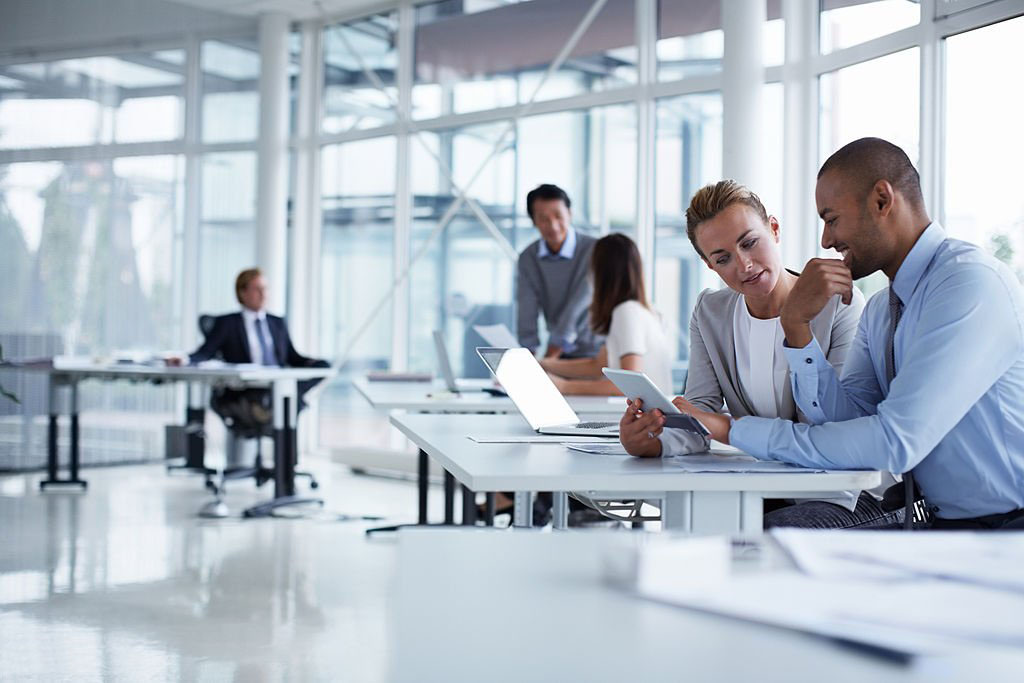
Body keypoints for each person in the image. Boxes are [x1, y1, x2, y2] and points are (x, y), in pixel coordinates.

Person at [664, 138, 1024, 530]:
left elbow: (894, 442)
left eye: (831, 219)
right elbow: (841, 421)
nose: (826, 240)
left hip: (1006, 530)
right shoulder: (883, 310)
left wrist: (735, 429)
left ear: (882, 201)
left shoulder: (966, 285)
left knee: (762, 539)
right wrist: (797, 330)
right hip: (945, 526)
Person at [619, 179, 900, 529]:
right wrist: (652, 441)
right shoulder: (711, 312)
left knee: (744, 537)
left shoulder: (838, 304)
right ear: (710, 266)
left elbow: (837, 428)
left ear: (775, 229)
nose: (744, 265)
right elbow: (699, 411)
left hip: (849, 494)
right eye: (723, 258)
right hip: (768, 489)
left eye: (750, 243)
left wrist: (723, 428)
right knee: (694, 526)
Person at [178, 268, 328, 426]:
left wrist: (316, 364)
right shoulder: (228, 323)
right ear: (242, 293)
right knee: (287, 402)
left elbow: (292, 357)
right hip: (247, 388)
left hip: (276, 382)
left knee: (320, 369)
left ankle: (288, 394)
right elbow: (205, 353)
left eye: (265, 289)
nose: (263, 294)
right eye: (257, 289)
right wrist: (184, 360)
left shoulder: (277, 323)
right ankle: (285, 398)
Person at [541, 233, 672, 396]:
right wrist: (544, 364)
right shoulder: (645, 311)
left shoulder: (627, 312)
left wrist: (564, 386)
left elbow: (630, 385)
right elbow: (598, 365)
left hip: (644, 417)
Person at [516, 184, 602, 359]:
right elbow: (527, 308)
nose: (553, 226)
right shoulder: (528, 258)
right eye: (543, 219)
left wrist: (550, 355)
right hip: (559, 353)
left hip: (597, 350)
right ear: (533, 221)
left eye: (558, 216)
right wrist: (526, 357)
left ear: (569, 214)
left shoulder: (595, 250)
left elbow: (580, 302)